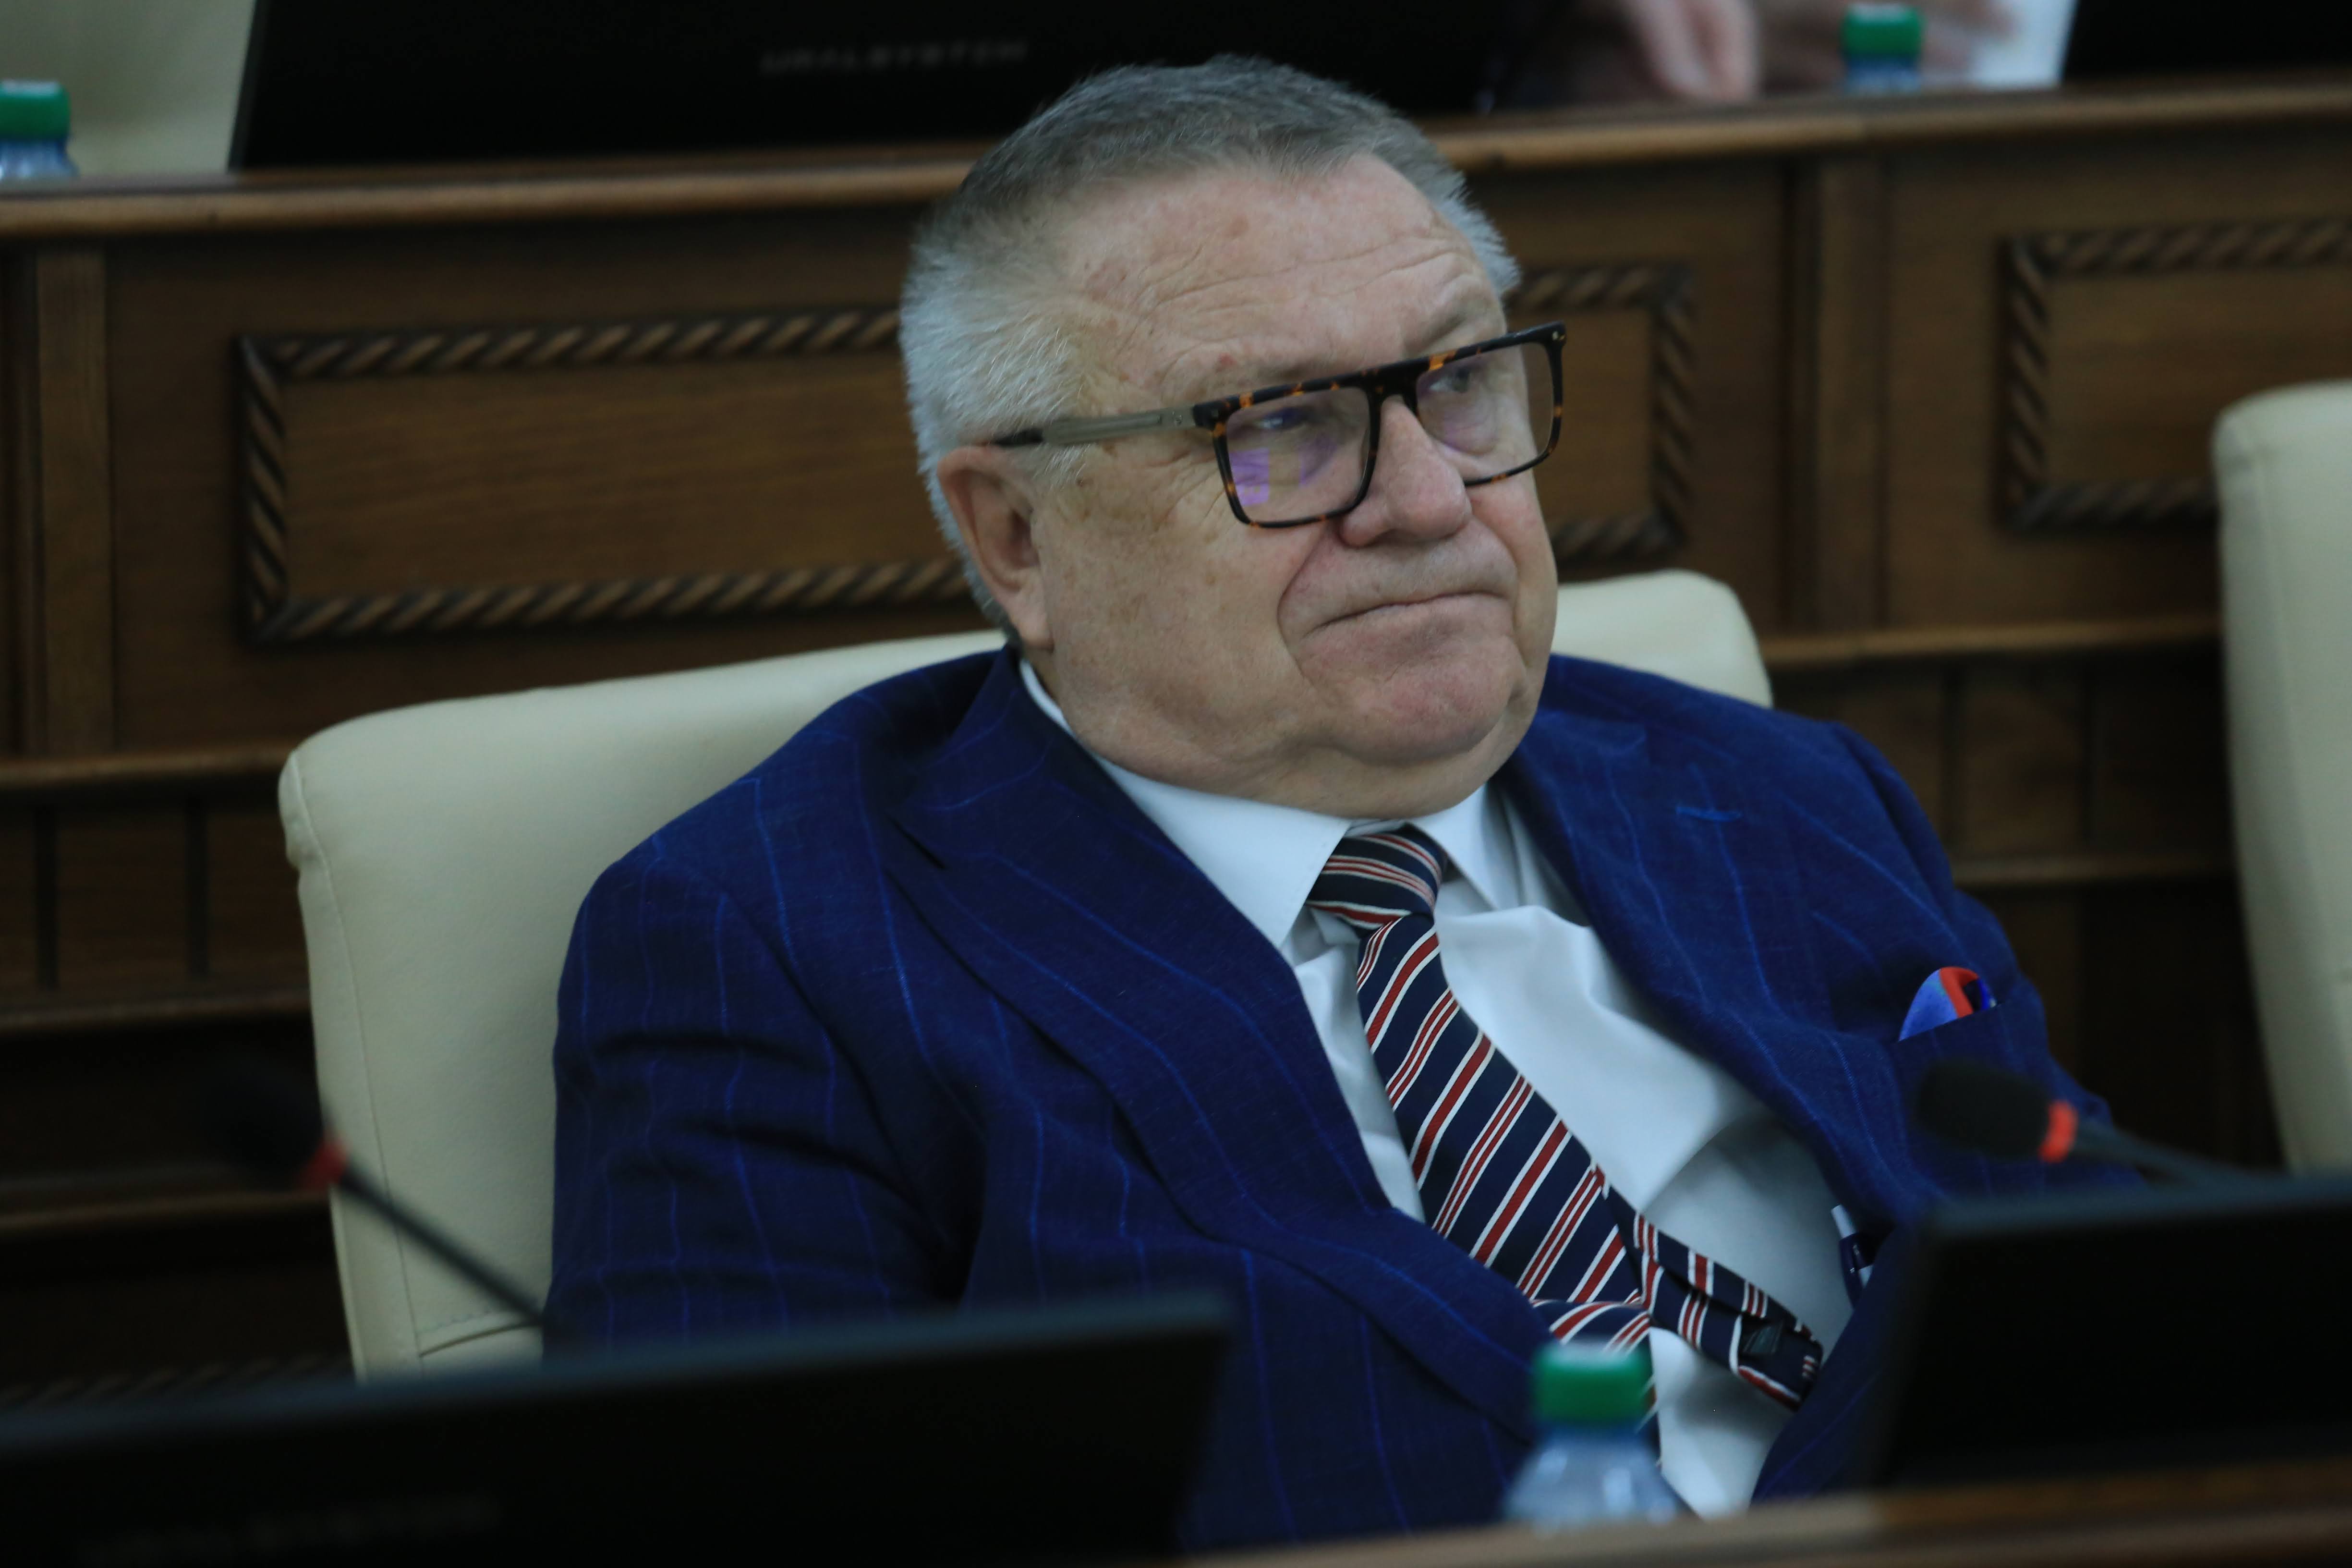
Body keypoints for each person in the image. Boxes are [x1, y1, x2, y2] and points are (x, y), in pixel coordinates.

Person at [548, 57, 2122, 1551]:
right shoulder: (776, 946)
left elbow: (2114, 1299)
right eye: (1279, 425)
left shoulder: (1783, 793)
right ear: (1016, 533)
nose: (1430, 499)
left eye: (1460, 385)